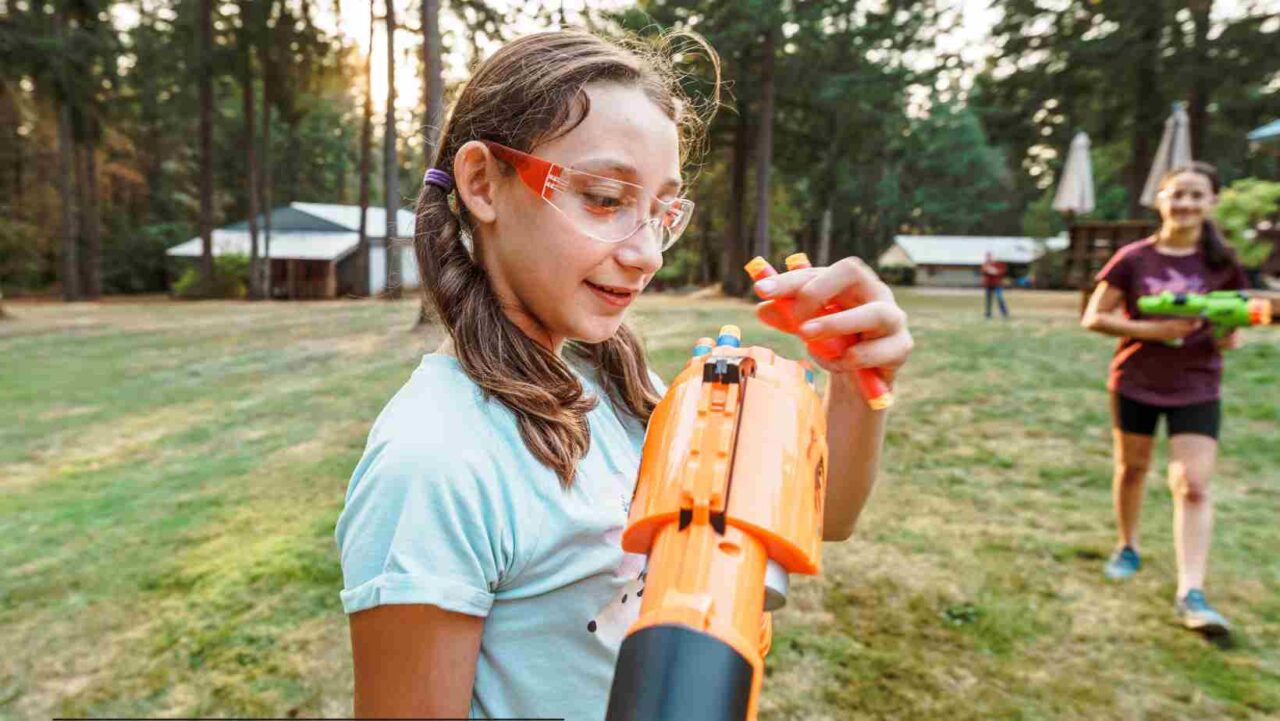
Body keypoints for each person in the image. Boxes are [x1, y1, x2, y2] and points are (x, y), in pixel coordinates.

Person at [333, 30, 914, 719]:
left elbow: (825, 520)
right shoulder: (432, 465)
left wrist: (855, 380)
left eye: (662, 211)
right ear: (483, 182)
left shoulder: (609, 389)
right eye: (606, 198)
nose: (646, 254)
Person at [1081, 161, 1246, 636]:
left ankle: (1191, 592)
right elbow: (1095, 316)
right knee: (1132, 469)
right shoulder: (1134, 259)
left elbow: (1229, 335)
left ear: (1211, 202)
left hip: (1197, 383)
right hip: (1136, 379)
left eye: (1197, 195)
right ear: (1161, 200)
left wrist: (1225, 331)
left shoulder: (1222, 264)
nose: (1186, 204)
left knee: (1193, 484)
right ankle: (1127, 546)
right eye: (1178, 194)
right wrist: (1152, 330)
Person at [981, 251, 1009, 318]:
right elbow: (984, 271)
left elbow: (1001, 271)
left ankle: (1004, 313)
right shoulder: (985, 264)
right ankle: (988, 314)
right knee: (989, 300)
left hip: (997, 285)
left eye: (990, 256)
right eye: (987, 256)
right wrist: (991, 271)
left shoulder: (996, 264)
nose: (989, 258)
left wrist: (995, 271)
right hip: (988, 285)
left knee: (1000, 298)